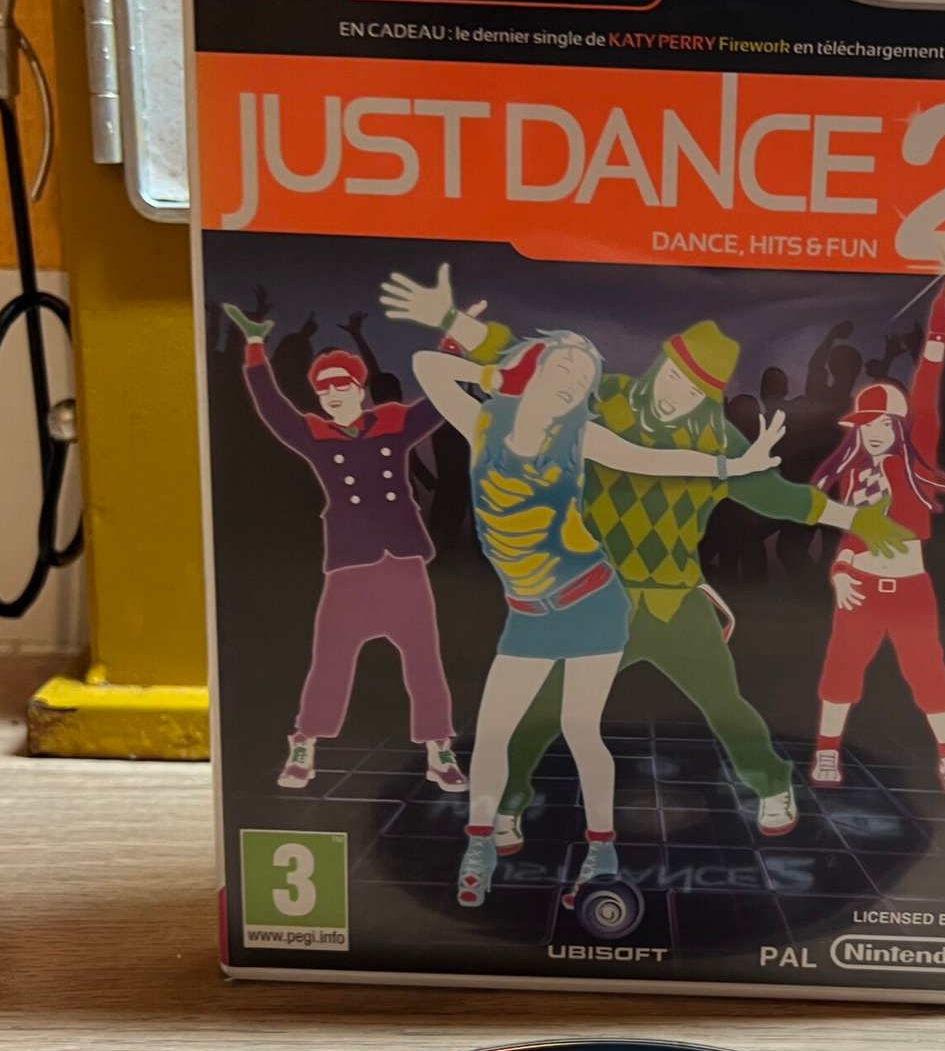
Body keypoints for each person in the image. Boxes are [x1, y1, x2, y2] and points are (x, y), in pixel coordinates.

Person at [383, 278, 913, 845]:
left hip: (674, 600)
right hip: (595, 594)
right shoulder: (606, 400)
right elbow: (534, 363)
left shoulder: (719, 440)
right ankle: (509, 800)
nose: (675, 395)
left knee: (723, 702)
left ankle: (770, 783)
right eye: (674, 376)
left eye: (693, 390)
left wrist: (855, 519)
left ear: (709, 397)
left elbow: (775, 496)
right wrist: (455, 324)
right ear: (661, 364)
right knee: (546, 707)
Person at [387, 266, 785, 909]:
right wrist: (499, 371)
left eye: (582, 380)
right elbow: (428, 368)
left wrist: (733, 464)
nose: (573, 384)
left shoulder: (581, 436)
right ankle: (479, 842)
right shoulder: (484, 421)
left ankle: (602, 849)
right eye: (563, 370)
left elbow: (650, 460)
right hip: (527, 610)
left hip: (592, 599)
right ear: (535, 368)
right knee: (493, 733)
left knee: (578, 727)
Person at [223, 305, 465, 795]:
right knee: (331, 658)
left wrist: (451, 343)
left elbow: (439, 402)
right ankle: (304, 744)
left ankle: (439, 750)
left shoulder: (392, 425)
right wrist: (254, 348)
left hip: (402, 560)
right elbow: (272, 409)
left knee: (424, 657)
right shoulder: (315, 436)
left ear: (359, 388)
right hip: (351, 563)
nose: (333, 394)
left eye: (341, 385)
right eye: (324, 389)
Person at [809, 281, 945, 795]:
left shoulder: (914, 461)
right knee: (841, 669)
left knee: (928, 674)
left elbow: (926, 395)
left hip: (908, 588)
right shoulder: (854, 474)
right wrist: (840, 571)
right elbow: (856, 535)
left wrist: (938, 334)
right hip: (859, 587)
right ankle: (827, 751)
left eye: (883, 421)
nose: (874, 430)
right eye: (865, 423)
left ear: (900, 425)